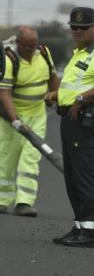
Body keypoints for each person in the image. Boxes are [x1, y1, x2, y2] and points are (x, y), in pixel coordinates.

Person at [46, 7, 94, 248]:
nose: (77, 32)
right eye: (74, 28)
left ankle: (89, 232)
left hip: (84, 119)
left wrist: (79, 100)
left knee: (84, 175)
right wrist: (58, 95)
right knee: (74, 176)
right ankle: (80, 226)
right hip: (71, 119)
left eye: (83, 27)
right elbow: (77, 85)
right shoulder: (79, 54)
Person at [0, 26, 60, 217]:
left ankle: (24, 202)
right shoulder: (10, 60)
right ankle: (2, 201)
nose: (31, 49)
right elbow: (5, 94)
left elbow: (53, 77)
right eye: (27, 45)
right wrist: (15, 121)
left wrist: (53, 94)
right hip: (12, 117)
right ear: (18, 42)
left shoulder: (43, 53)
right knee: (6, 159)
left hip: (37, 116)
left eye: (34, 45)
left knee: (30, 158)